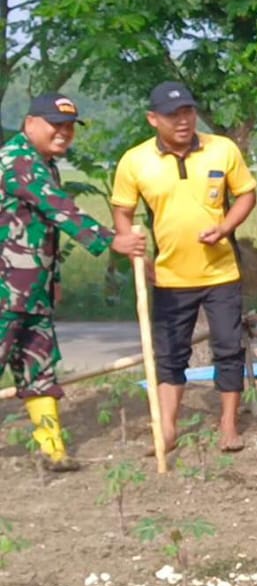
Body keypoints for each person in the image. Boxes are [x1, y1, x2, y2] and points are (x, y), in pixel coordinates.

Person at [1, 93, 146, 470]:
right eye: (56, 124)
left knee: (39, 369)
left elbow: (41, 230)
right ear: (30, 122)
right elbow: (57, 207)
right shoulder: (17, 161)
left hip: (32, 291)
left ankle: (52, 449)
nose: (64, 133)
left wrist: (55, 278)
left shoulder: (45, 163)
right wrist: (110, 238)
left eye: (69, 126)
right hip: (4, 292)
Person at [110, 83, 256, 455]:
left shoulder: (221, 149)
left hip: (221, 272)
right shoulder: (135, 161)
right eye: (173, 115)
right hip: (169, 276)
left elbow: (247, 194)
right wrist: (136, 255)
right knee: (170, 354)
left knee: (228, 348)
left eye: (188, 112)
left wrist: (225, 227)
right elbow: (122, 211)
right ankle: (168, 427)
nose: (183, 121)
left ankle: (228, 426)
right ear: (153, 119)